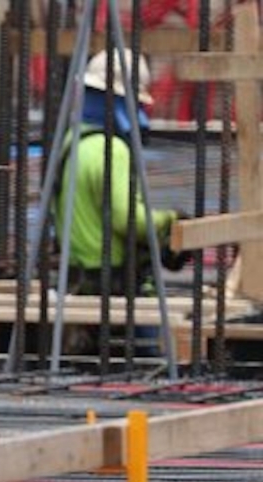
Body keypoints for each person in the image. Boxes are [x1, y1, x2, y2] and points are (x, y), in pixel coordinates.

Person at [55, 50, 191, 354]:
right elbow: (127, 219)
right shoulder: (111, 149)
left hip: (77, 278)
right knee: (148, 363)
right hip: (113, 282)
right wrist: (171, 221)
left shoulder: (71, 143)